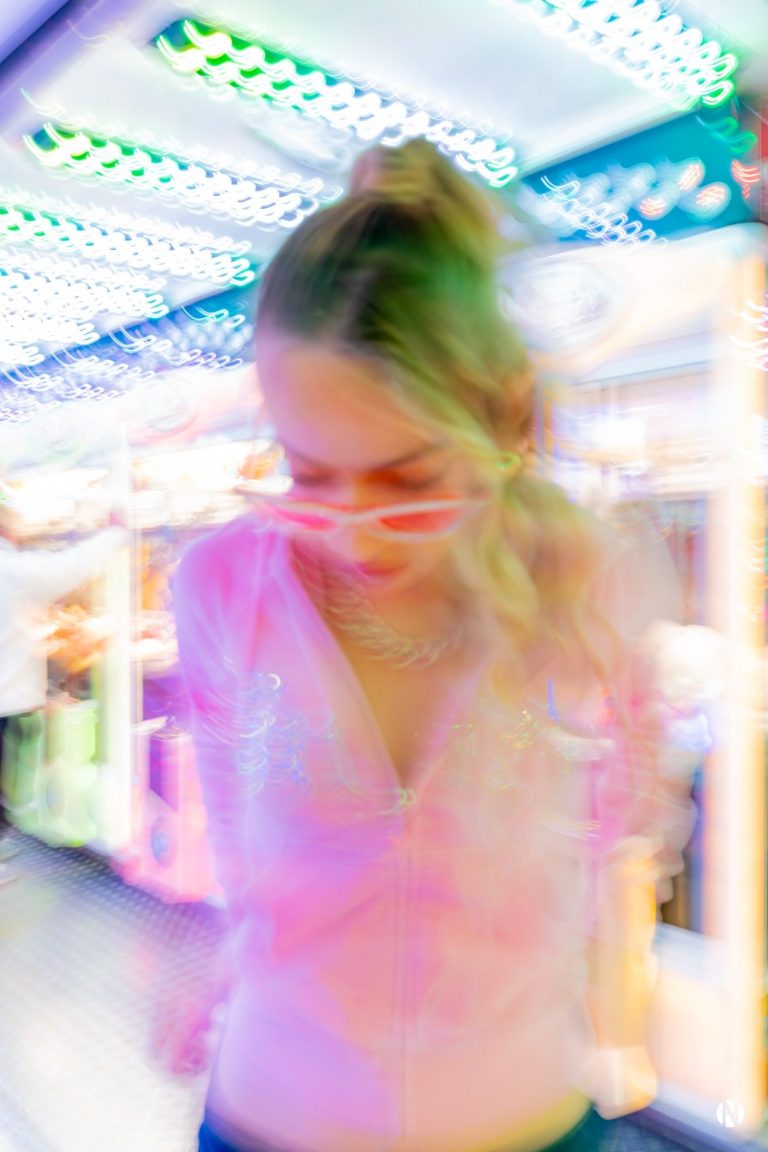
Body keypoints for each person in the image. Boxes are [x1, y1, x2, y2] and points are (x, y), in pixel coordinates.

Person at [168, 139, 701, 1152]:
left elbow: (628, 829)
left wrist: (621, 1012)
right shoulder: (223, 586)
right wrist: (218, 962)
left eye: (411, 482)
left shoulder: (593, 582)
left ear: (503, 419)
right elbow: (236, 837)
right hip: (269, 1113)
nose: (356, 534)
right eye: (307, 475)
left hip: (528, 1115)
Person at [0, 491, 126, 883]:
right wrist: (115, 533)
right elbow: (69, 568)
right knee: (6, 776)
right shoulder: (12, 569)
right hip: (6, 698)